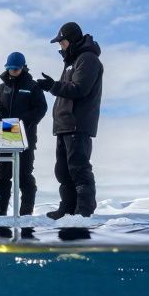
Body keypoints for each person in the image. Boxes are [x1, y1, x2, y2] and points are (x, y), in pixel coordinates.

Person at [35, 21, 102, 219]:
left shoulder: (88, 59)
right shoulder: (72, 61)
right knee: (63, 171)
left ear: (71, 40)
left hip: (77, 123)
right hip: (65, 125)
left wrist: (52, 86)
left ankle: (84, 210)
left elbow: (80, 89)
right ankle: (68, 207)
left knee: (78, 168)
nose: (60, 46)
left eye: (62, 42)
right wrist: (53, 86)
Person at [0, 51, 47, 217]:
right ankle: (0, 214)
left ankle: (25, 215)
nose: (13, 71)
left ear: (23, 68)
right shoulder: (1, 88)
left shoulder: (32, 87)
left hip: (24, 138)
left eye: (16, 69)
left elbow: (41, 109)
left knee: (24, 178)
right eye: (10, 69)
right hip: (3, 138)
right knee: (2, 179)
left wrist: (22, 122)